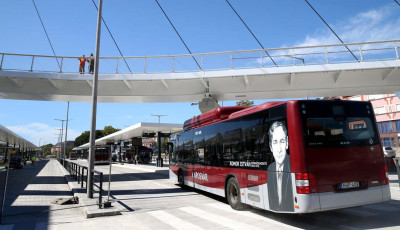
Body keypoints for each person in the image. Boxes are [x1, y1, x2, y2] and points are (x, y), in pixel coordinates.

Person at [267, 121, 294, 212]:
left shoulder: (293, 166)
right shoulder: (270, 169)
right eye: (275, 142)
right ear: (271, 147)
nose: (279, 149)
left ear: (287, 143)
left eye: (282, 141)